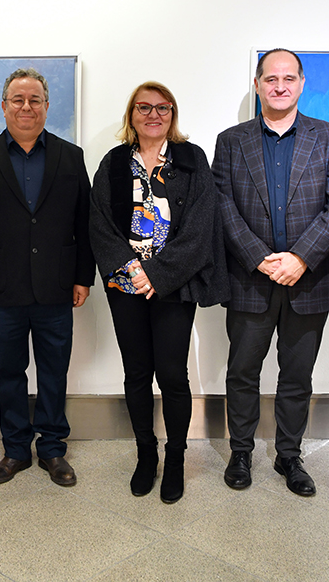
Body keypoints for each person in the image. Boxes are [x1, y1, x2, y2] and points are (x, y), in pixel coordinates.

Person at [211, 49, 329, 497]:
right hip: (249, 278)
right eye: (270, 79)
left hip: (310, 279)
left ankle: (289, 455)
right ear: (257, 85)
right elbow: (222, 205)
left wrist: (301, 258)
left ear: (301, 83)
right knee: (242, 371)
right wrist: (258, 256)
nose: (279, 86)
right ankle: (240, 452)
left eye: (288, 78)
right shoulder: (231, 141)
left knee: (297, 375)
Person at [89, 82, 229, 504]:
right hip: (125, 284)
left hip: (174, 285)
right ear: (131, 115)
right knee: (136, 373)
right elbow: (99, 222)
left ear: (173, 114)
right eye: (144, 107)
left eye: (162, 108)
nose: (154, 115)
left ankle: (176, 458)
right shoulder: (114, 162)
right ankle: (146, 455)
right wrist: (133, 269)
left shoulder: (191, 159)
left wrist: (158, 274)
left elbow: (202, 227)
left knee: (171, 375)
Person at [0, 68, 95, 487]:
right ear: (4, 107)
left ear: (46, 107)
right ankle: (16, 449)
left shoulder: (71, 157)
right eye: (18, 99)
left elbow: (85, 221)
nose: (26, 107)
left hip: (57, 285)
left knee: (54, 372)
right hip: (2, 288)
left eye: (35, 100)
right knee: (9, 373)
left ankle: (52, 448)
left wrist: (83, 277)